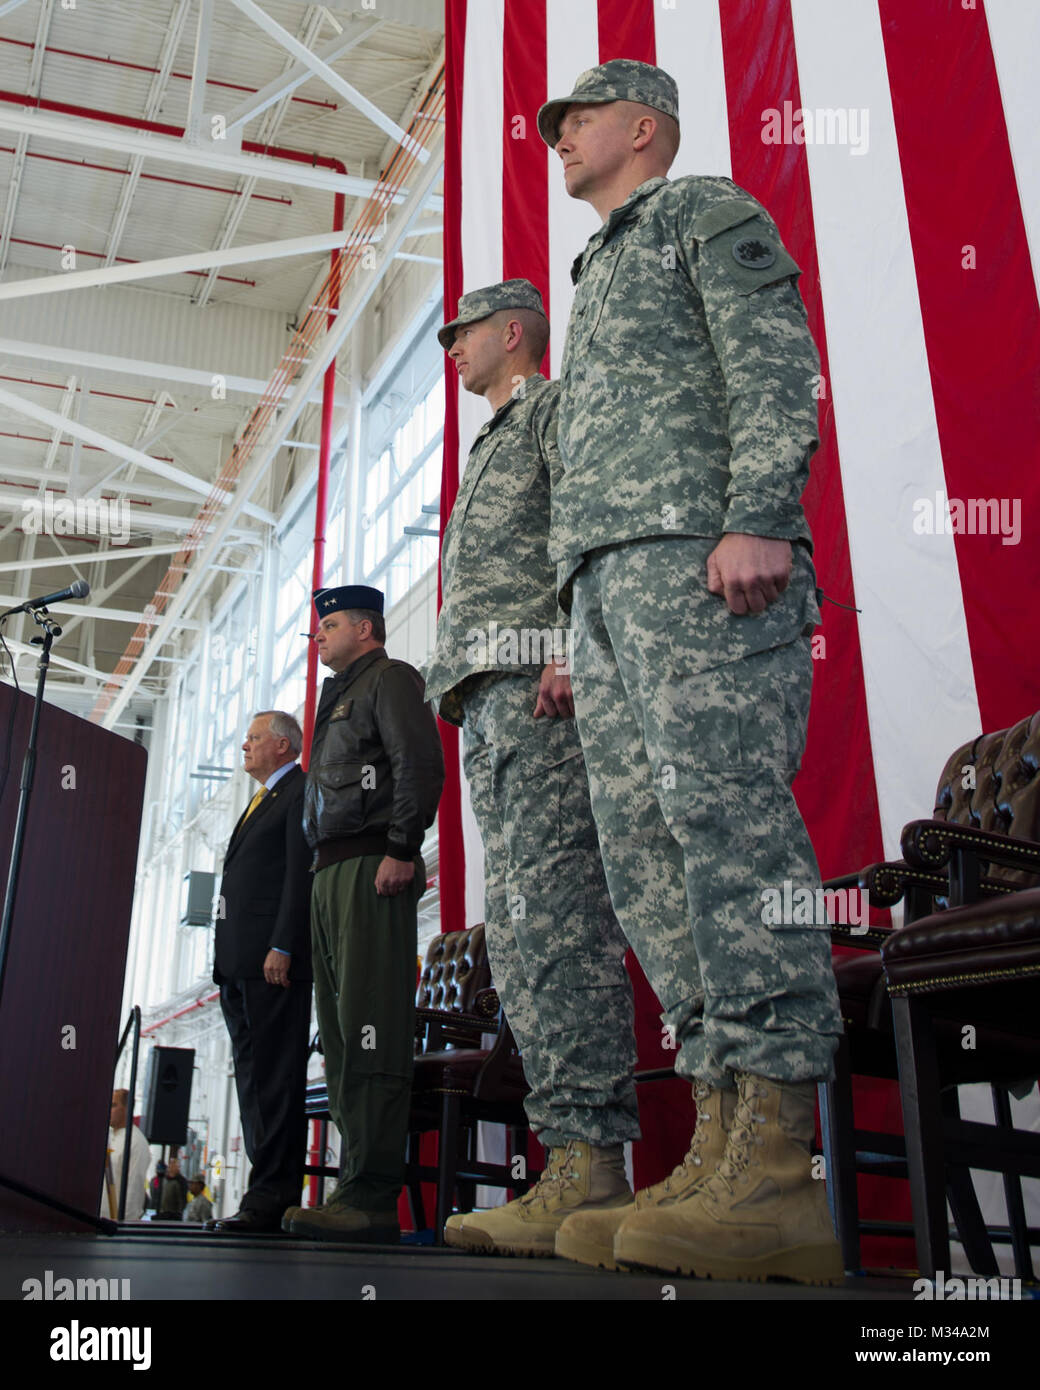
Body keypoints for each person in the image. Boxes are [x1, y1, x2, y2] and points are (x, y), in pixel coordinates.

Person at [536, 60, 844, 1283]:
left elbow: (771, 361)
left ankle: (777, 1167)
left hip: (701, 559)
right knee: (646, 853)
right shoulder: (597, 265)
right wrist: (571, 610)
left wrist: (759, 510)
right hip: (608, 583)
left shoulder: (704, 211)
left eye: (579, 119)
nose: (558, 136)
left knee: (723, 820)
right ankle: (720, 1136)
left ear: (643, 127)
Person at [424, 279, 638, 1255]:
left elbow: (586, 524)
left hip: (536, 689)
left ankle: (593, 1159)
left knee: (556, 909)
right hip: (487, 699)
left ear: (511, 332)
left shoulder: (550, 409)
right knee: (513, 926)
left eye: (461, 334)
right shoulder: (486, 441)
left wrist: (567, 645)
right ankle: (563, 1157)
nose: (451, 349)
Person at [283, 586, 444, 1242]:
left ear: (368, 628)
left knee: (371, 1024)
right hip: (330, 872)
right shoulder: (340, 693)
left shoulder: (391, 679)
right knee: (343, 1036)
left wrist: (402, 847)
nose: (318, 635)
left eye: (331, 624)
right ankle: (355, 1188)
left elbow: (420, 765)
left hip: (371, 865)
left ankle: (373, 1195)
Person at [209, 710, 313, 1234]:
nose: (244, 746)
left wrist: (282, 945)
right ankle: (261, 1193)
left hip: (272, 965)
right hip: (238, 967)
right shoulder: (259, 800)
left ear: (281, 745)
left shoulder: (298, 791)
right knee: (252, 1084)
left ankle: (272, 1198)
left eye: (252, 738)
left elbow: (299, 875)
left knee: (274, 1081)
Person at [101, 1088, 150, 1221]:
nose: (108, 1109)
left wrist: (123, 1225)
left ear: (126, 1109)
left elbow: (133, 1191)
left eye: (113, 1105)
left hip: (113, 1224)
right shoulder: (108, 1136)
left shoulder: (136, 1142)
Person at [156, 1155, 188, 1220]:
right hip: (163, 1213)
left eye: (174, 1165)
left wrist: (179, 1211)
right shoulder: (165, 1179)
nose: (171, 1167)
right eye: (170, 1164)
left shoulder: (181, 1181)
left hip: (174, 1215)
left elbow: (183, 1199)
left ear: (178, 1167)